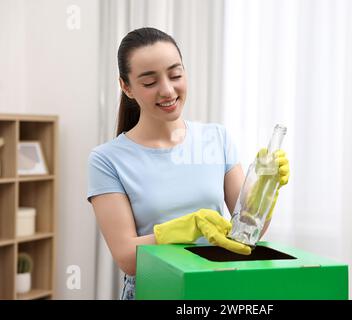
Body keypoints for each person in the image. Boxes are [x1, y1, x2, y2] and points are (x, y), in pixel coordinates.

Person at [87, 27, 290, 300]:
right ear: (126, 87)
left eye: (175, 75)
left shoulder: (217, 138)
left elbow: (246, 233)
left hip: (217, 287)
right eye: (149, 82)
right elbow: (126, 258)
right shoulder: (106, 159)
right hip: (155, 289)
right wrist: (187, 227)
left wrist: (266, 187)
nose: (168, 90)